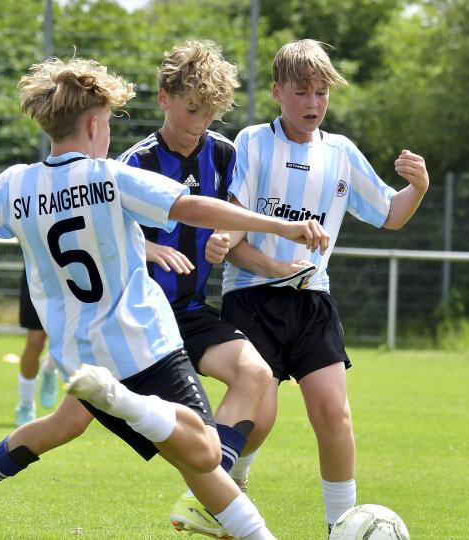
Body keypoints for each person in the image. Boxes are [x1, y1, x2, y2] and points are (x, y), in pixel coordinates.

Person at [0, 56, 329, 540]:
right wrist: (284, 225)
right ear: (93, 124)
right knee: (207, 453)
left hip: (80, 354)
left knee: (73, 426)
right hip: (141, 341)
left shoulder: (14, 184)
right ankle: (124, 402)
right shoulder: (109, 176)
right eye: (107, 122)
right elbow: (191, 206)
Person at [209, 39, 430, 535]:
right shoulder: (251, 143)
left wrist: (418, 188)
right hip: (251, 298)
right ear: (277, 92)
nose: (312, 103)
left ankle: (341, 527)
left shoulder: (341, 153)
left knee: (334, 414)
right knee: (259, 417)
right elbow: (235, 239)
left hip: (313, 301)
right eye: (302, 91)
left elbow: (390, 215)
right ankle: (236, 476)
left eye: (321, 93)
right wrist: (267, 266)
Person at [117, 40, 313, 538]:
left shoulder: (223, 155)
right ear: (163, 97)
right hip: (138, 318)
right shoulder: (134, 165)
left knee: (256, 375)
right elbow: (100, 234)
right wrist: (145, 249)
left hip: (188, 309)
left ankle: (209, 496)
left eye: (208, 113)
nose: (198, 123)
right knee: (66, 423)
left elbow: (228, 218)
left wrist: (226, 240)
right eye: (189, 110)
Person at [14, 268, 60, 426]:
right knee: (35, 341)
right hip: (37, 274)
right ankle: (26, 404)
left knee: (66, 338)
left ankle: (49, 367)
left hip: (69, 270)